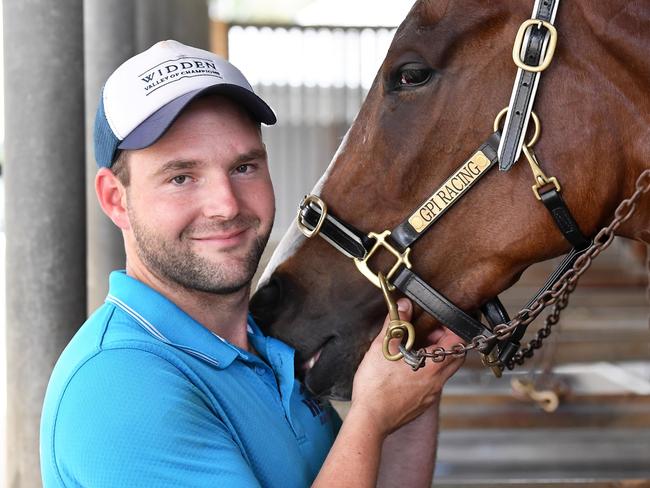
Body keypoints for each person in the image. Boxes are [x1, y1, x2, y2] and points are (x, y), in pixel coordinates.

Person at [40, 40, 464, 487]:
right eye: (181, 177)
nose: (225, 205)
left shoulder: (263, 347)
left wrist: (410, 396)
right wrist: (371, 417)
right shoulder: (118, 387)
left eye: (244, 167)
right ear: (115, 199)